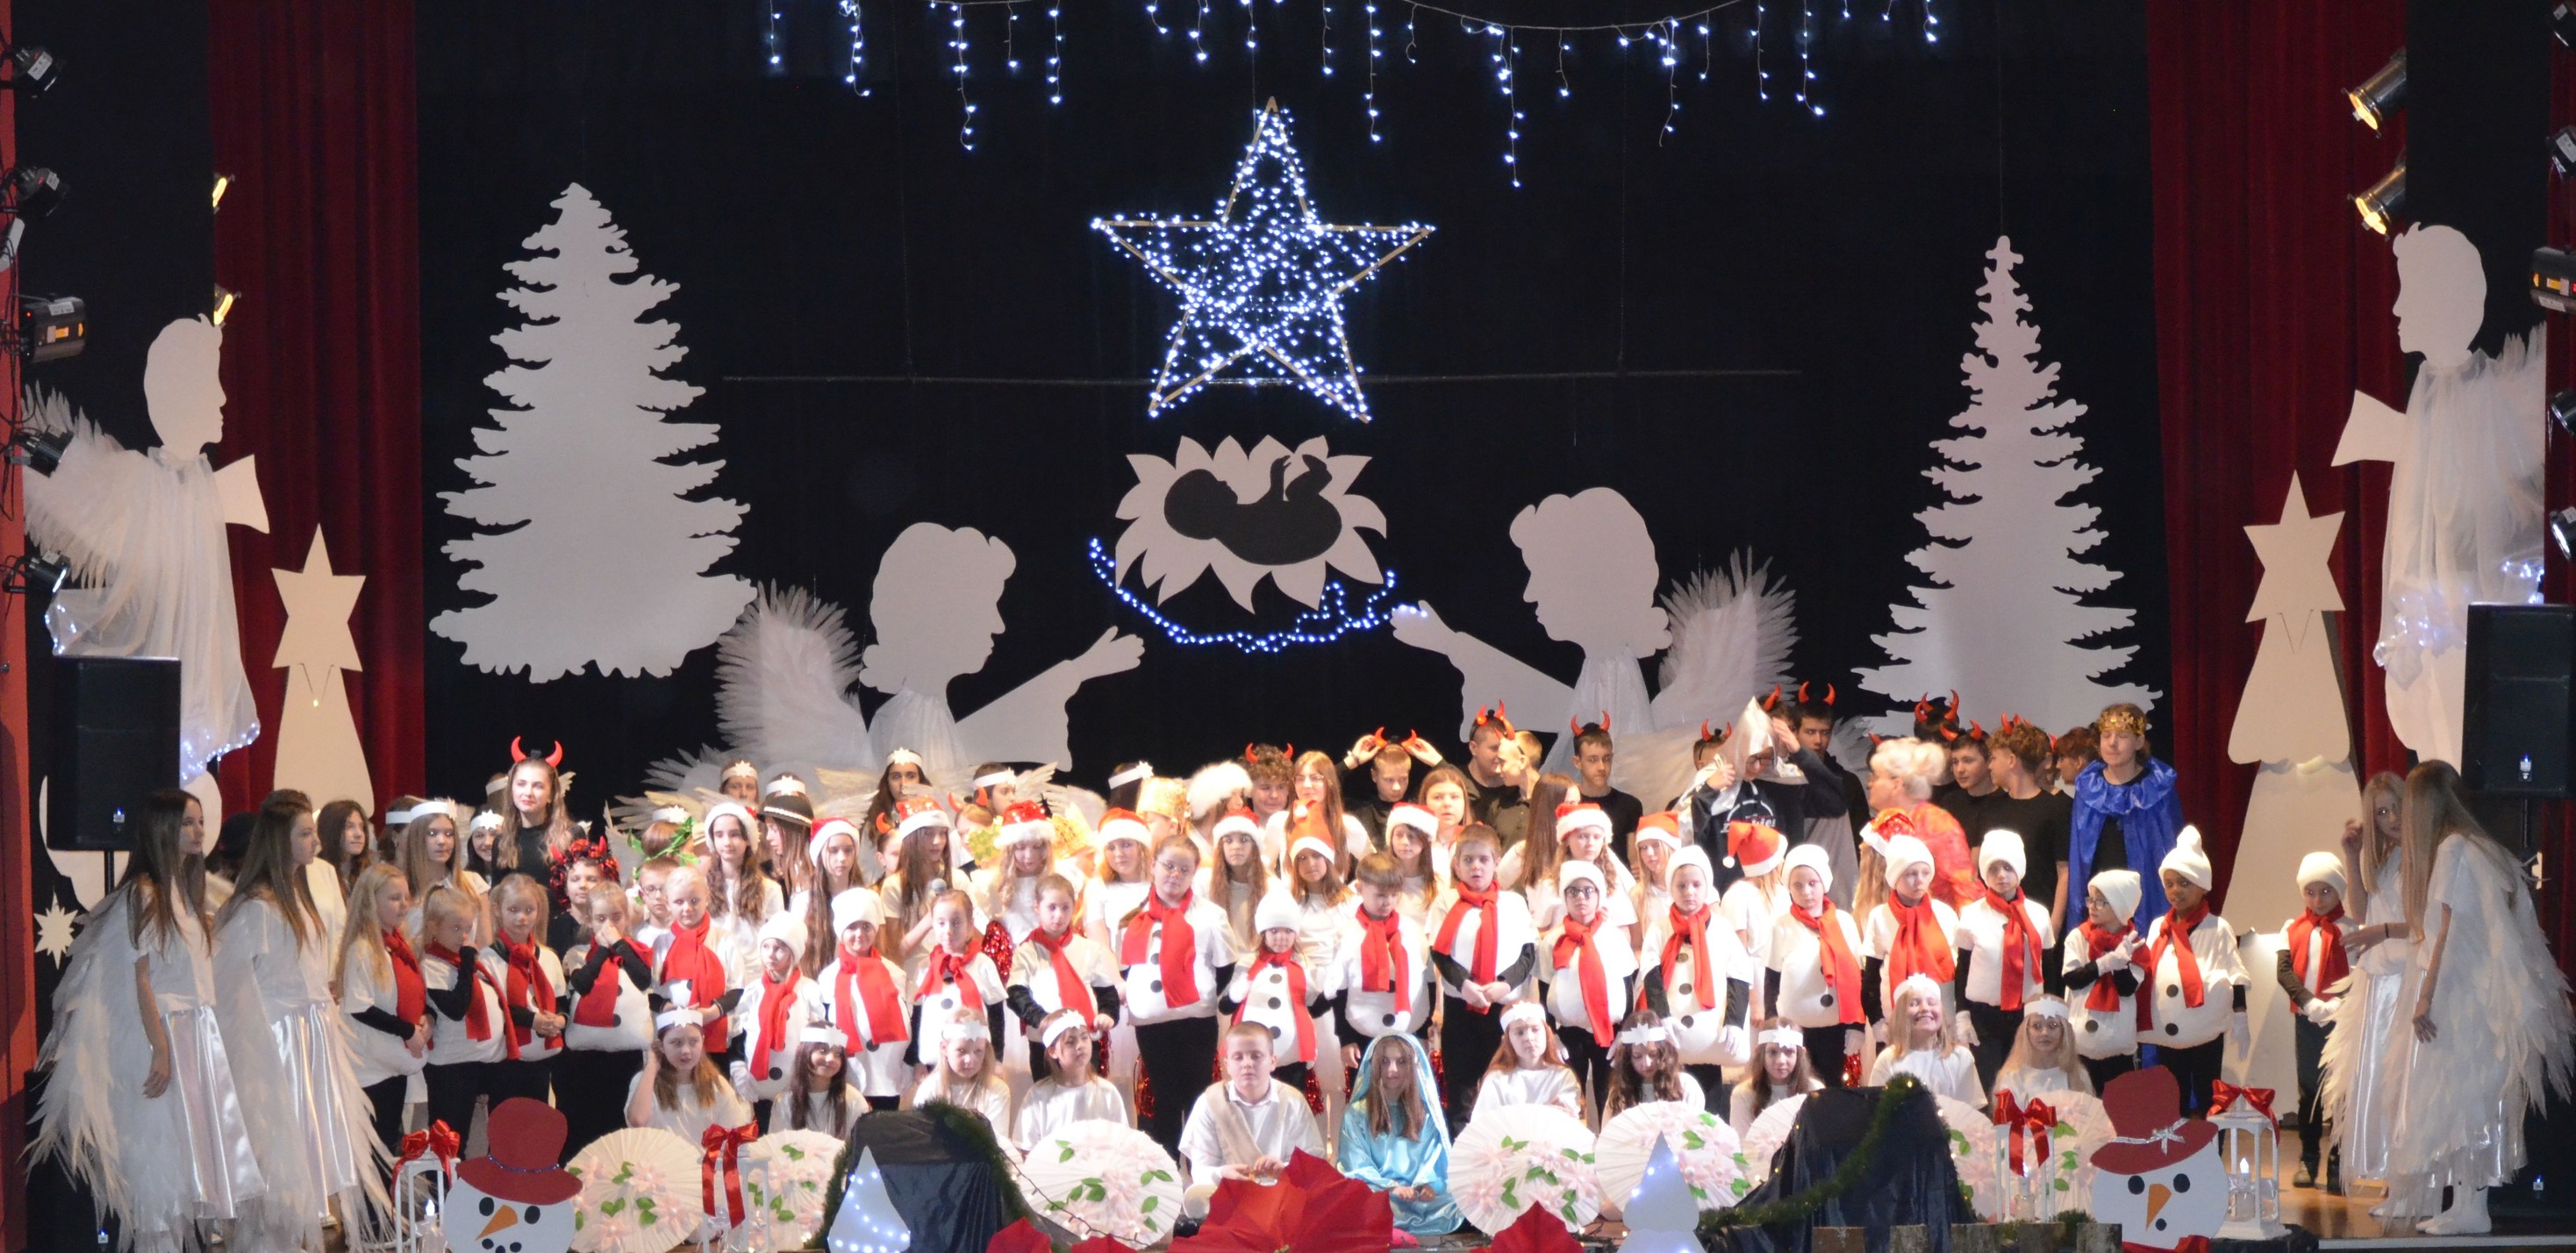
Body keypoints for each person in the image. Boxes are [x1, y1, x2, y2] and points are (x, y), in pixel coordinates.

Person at [33, 789, 267, 1253]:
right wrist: (160, 1047)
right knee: (160, 1160)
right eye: (187, 823)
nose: (198, 832)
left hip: (195, 1035)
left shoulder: (186, 892)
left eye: (200, 822)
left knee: (190, 1160)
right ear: (162, 830)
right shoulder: (144, 894)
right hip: (166, 1032)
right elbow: (140, 977)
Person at [2379, 763, 2576, 1235]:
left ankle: (2472, 1206)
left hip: (2459, 992)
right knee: (2468, 1097)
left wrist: (2425, 996)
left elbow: (2449, 928)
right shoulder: (2478, 847)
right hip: (2475, 992)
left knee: (2461, 1096)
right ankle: (2465, 1202)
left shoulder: (2453, 850)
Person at [213, 793, 387, 1247]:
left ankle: (302, 1230)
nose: (315, 842)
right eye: (305, 834)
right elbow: (230, 981)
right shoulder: (256, 907)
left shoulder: (299, 896)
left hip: (311, 1032)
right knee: (282, 1142)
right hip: (279, 1039)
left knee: (313, 1143)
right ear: (279, 841)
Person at [1120, 835, 1236, 1157]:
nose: (1174, 875)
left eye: (1184, 870)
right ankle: (1166, 1165)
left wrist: (1201, 994)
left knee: (1197, 1094)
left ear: (1194, 873)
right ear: (1153, 866)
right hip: (1151, 1022)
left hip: (1195, 1020)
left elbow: (1225, 966)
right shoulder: (1134, 917)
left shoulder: (1210, 915)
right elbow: (1127, 968)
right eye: (1168, 866)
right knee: (1162, 1096)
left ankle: (1200, 1165)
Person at [2322, 770, 2411, 1197]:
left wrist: (2384, 932)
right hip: (2379, 979)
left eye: (2396, 808)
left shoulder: (2424, 855)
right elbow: (2361, 912)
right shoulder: (2386, 857)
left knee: (2405, 1081)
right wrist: (2351, 856)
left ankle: (2409, 1180)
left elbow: (2431, 922)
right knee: (2379, 1080)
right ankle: (2393, 1178)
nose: (2391, 819)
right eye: (2380, 813)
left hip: (2408, 976)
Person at [1426, 823, 1531, 1128]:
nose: (1476, 867)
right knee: (1460, 1087)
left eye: (1483, 860)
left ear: (1496, 862)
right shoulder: (1446, 902)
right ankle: (1461, 1148)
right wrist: (1464, 984)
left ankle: (1503, 1146)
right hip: (1461, 1006)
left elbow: (1527, 953)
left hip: (1502, 1007)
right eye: (1468, 860)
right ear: (1456, 864)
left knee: (1502, 1084)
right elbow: (1439, 951)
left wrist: (1504, 984)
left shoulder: (1513, 903)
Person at [2139, 828, 2245, 1115]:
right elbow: (2147, 971)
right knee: (2173, 1097)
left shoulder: (2218, 928)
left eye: (2184, 883)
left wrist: (2240, 1016)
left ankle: (2213, 1143)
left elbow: (2235, 974)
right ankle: (2176, 1144)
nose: (2176, 891)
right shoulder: (2158, 927)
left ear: (2202, 886)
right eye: (2169, 883)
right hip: (2168, 1031)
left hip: (2205, 1029)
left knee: (2210, 1094)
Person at [1640, 847, 1756, 1104]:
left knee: (1710, 1099)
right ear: (1671, 888)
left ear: (1707, 887)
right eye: (1681, 886)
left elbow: (1739, 975)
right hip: (1673, 1035)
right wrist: (1661, 1015)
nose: (1689, 892)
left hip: (1709, 1035)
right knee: (1672, 1094)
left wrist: (1735, 1021)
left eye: (1696, 885)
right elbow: (1651, 974)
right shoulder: (1659, 929)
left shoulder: (1722, 928)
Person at [1973, 719, 2073, 992]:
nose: (1989, 765)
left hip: (2038, 919)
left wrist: (2054, 923)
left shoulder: (2056, 809)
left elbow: (2064, 871)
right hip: (1996, 921)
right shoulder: (1991, 808)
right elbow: (1978, 870)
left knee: (2040, 996)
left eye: (1993, 758)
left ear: (2012, 760)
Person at [337, 863, 428, 1161]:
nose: (404, 904)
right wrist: (407, 1030)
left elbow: (409, 995)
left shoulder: (398, 945)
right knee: (375, 1150)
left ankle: (388, 1192)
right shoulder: (363, 949)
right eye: (394, 898)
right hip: (371, 1066)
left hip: (392, 1060)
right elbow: (360, 1006)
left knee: (389, 1144)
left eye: (406, 897)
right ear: (370, 902)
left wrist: (424, 1020)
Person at [2067, 705, 2186, 927]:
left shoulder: (2158, 789)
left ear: (2139, 742)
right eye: (2106, 736)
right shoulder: (2088, 789)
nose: (2112, 743)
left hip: (2145, 898)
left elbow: (2172, 850)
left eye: (2122, 736)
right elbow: (2079, 857)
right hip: (2100, 903)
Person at [1954, 830, 2053, 1095]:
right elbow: (1962, 969)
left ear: (2019, 869)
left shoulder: (2039, 914)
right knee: (1990, 1089)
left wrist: (2052, 1014)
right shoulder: (1971, 914)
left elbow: (2050, 969)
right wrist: (1962, 1015)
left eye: (2008, 867)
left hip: (2028, 1016)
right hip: (1984, 1017)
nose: (2001, 876)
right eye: (1993, 868)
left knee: (2027, 1087)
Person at [560, 882, 655, 1156]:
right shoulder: (578, 953)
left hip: (627, 1058)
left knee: (620, 1127)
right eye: (601, 918)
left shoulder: (637, 951)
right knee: (585, 1128)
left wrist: (619, 945)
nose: (609, 925)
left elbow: (642, 979)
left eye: (616, 917)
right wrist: (603, 949)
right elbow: (582, 983)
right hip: (585, 1059)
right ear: (589, 920)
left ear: (626, 917)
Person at [1181, 1022, 1326, 1203]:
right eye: (1238, 1057)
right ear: (1227, 1064)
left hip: (1283, 1201)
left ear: (1272, 1061)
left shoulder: (1293, 1101)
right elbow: (1200, 1170)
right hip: (1229, 1201)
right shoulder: (1210, 1102)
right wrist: (1222, 1173)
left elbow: (1313, 1165)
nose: (1247, 1064)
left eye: (1256, 1056)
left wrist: (1284, 1170)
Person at [2276, 851, 2353, 1192]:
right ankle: (2308, 1157)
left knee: (2341, 1092)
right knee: (2309, 1090)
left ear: (2339, 891)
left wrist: (2337, 1002)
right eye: (2311, 892)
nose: (2318, 900)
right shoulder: (2292, 928)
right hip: (2307, 1020)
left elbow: (2360, 972)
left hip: (2343, 1021)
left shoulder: (2351, 928)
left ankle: (2339, 1160)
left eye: (2326, 891)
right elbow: (2284, 972)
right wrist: (2309, 1003)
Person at [1339, 1033, 1467, 1236]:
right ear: (1374, 1066)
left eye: (1401, 1062)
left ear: (1413, 1066)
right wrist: (1392, 1188)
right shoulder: (1357, 1113)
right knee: (1360, 1205)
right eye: (1385, 1062)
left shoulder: (1425, 1114)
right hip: (1378, 1191)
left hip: (1416, 1196)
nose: (1392, 1070)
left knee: (1459, 1201)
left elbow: (1434, 1159)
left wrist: (1427, 1185)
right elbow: (1355, 1165)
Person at [1765, 844, 1865, 1088]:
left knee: (1834, 1088)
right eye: (1798, 885)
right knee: (1799, 1087)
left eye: (1812, 883)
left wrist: (1857, 1026)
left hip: (1837, 1027)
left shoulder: (1844, 922)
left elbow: (1857, 976)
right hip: (1797, 1029)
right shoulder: (1782, 925)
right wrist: (1773, 1027)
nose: (1806, 892)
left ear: (1824, 883)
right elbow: (1772, 980)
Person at [1538, 858, 1635, 1112]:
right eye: (1573, 891)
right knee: (1570, 1096)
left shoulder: (1614, 937)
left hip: (1608, 1032)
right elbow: (1544, 988)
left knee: (1608, 1096)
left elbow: (1628, 986)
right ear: (1565, 897)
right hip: (1569, 1034)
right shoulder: (1553, 940)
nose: (1581, 897)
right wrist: (1552, 1034)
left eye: (1588, 891)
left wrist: (1624, 1032)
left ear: (1599, 896)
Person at [1005, 873, 1122, 1084]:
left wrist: (1108, 1013)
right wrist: (1042, 1020)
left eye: (1065, 908)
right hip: (1044, 1043)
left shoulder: (1089, 949)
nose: (1058, 915)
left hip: (1084, 1041)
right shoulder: (1027, 952)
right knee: (1048, 1093)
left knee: (1086, 1092)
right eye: (1051, 908)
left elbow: (1106, 992)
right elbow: (1016, 994)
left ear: (1074, 908)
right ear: (1037, 907)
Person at [418, 882, 507, 1150]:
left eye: (468, 928)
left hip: (474, 1062)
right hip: (449, 1066)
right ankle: (444, 1179)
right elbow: (457, 1008)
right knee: (448, 1141)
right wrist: (468, 962)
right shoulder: (432, 964)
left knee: (470, 1139)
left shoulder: (459, 962)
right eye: (455, 928)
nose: (464, 936)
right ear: (434, 927)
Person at [1329, 852, 1434, 1076]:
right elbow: (1339, 991)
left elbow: (1426, 983)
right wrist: (1346, 1039)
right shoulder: (1347, 935)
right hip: (1362, 1030)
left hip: (1408, 1029)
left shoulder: (1411, 931)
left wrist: (1424, 1030)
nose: (1388, 902)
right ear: (1360, 889)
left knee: (1407, 1090)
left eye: (1394, 895)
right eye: (1380, 895)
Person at [1224, 892, 1329, 1096]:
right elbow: (1226, 1006)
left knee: (1292, 1100)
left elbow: (1315, 1009)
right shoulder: (1248, 964)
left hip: (1292, 1055)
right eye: (1274, 931)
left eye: (1288, 931)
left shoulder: (1303, 965)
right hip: (1254, 1056)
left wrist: (1331, 992)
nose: (1281, 937)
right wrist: (1236, 995)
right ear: (1263, 932)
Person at [480, 873, 568, 1108]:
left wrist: (559, 1020)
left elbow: (562, 1002)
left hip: (541, 1058)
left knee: (536, 1120)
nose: (522, 917)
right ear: (497, 910)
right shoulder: (487, 959)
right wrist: (532, 1020)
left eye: (529, 910)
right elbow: (495, 1008)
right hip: (504, 1060)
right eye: (513, 910)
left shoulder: (548, 957)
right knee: (506, 1121)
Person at [825, 888, 913, 1111]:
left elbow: (908, 1021)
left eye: (866, 927)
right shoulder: (829, 977)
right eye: (852, 927)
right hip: (846, 1075)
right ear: (841, 931)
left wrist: (909, 1064)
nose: (859, 934)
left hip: (886, 1074)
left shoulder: (894, 973)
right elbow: (826, 1027)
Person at [1863, 739, 1975, 909]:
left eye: (1876, 777)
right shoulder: (1881, 824)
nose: (1869, 783)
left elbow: (1965, 887)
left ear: (1897, 784)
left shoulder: (1936, 823)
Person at [2061, 870, 2145, 1093]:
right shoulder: (2078, 937)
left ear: (2120, 906)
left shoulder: (2135, 943)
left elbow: (2127, 989)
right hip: (2081, 1044)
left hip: (2119, 1046)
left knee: (2119, 1106)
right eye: (2090, 899)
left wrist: (2121, 965)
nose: (2092, 906)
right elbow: (2072, 979)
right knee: (2082, 1106)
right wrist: (2104, 964)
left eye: (2101, 902)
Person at [1861, 834, 1958, 1026]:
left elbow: (1959, 967)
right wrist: (1877, 1021)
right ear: (1895, 878)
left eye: (1925, 873)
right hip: (1896, 1018)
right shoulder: (1880, 916)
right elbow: (1871, 976)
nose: (1920, 880)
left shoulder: (1944, 914)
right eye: (1911, 874)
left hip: (1942, 1016)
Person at [655, 864, 747, 1067]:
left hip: (715, 1034)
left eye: (694, 900)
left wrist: (710, 1014)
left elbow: (738, 989)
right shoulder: (661, 945)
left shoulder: (725, 940)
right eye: (679, 902)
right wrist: (671, 1009)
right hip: (672, 1036)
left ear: (707, 898)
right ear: (668, 903)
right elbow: (650, 992)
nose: (687, 908)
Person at [906, 889, 1009, 1068]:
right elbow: (918, 1017)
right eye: (941, 923)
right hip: (934, 1062)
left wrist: (997, 1059)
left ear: (970, 924)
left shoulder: (982, 964)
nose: (948, 931)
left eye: (956, 923)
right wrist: (916, 1062)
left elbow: (996, 1015)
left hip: (973, 1062)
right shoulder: (925, 968)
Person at [731, 913, 818, 1121]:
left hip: (796, 1085)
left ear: (793, 953)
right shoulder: (753, 991)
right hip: (759, 1086)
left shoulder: (809, 990)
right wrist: (738, 1067)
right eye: (766, 947)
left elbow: (817, 1037)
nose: (771, 954)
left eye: (779, 948)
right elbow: (738, 1033)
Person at [626, 1008, 755, 1140]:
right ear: (661, 1046)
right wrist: (652, 1066)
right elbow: (637, 1121)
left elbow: (733, 1133)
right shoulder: (645, 1081)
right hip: (659, 1153)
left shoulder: (717, 1084)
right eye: (676, 1043)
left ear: (702, 1041)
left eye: (693, 1042)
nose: (686, 1051)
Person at [1014, 1010, 1130, 1150]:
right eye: (1070, 1042)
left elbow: (1121, 1143)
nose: (1080, 1045)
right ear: (1052, 1051)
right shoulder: (1038, 1096)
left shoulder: (1107, 1092)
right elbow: (1026, 1148)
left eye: (1084, 1037)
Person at [1868, 974, 1984, 1107]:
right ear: (1901, 1015)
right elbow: (1877, 1110)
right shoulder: (1888, 1060)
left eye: (1931, 1003)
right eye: (1914, 1004)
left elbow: (1971, 1111)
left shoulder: (1961, 1058)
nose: (1925, 1009)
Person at [1470, 1002, 1585, 1122]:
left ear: (1547, 1033)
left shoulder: (1563, 1076)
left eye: (1535, 1029)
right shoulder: (1496, 1079)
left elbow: (1566, 1118)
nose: (1529, 1038)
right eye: (1520, 1033)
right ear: (1508, 1040)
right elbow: (1483, 1123)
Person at [906, 1021, 1014, 1137]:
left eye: (978, 1051)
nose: (969, 1060)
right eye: (961, 1051)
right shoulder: (930, 1088)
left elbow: (997, 1140)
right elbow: (918, 1137)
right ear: (944, 1048)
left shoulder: (997, 1090)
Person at [798, 817, 868, 977]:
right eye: (833, 851)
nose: (842, 858)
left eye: (848, 850)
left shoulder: (866, 899)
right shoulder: (804, 902)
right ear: (820, 854)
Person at [1601, 1011, 1705, 1118]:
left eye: (1653, 1054)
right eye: (1637, 1056)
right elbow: (1608, 1127)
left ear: (1663, 1052)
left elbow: (1695, 1124)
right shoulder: (1620, 1093)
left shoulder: (1685, 1085)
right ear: (1627, 1057)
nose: (1646, 1063)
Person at [1730, 1020, 1823, 1140]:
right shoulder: (1743, 1094)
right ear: (1759, 1053)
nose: (1781, 1061)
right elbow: (1742, 1143)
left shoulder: (1815, 1091)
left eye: (1789, 1052)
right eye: (1773, 1052)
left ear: (1801, 1054)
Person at [1990, 997, 2093, 1100]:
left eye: (2053, 1025)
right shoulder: (2012, 1078)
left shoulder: (2077, 1076)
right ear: (2027, 1030)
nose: (2045, 1033)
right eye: (2036, 1026)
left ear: (2064, 1030)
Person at [773, 1027, 863, 1137]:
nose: (831, 1059)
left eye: (838, 1054)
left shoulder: (853, 1099)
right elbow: (778, 1143)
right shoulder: (785, 1099)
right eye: (823, 1051)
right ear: (804, 1053)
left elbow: (861, 1143)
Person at [1206, 808, 1273, 956]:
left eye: (1244, 840)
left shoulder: (1272, 888)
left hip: (1257, 963)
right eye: (1228, 841)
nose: (1236, 847)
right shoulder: (1206, 883)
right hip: (1219, 963)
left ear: (1254, 846)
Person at [1569, 720, 1644, 841]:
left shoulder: (1630, 806)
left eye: (1606, 759)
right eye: (1592, 760)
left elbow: (1634, 852)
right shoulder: (1567, 805)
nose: (1602, 767)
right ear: (1577, 762)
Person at [2051, 727, 2098, 793]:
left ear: (2078, 762)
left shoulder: (2091, 794)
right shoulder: (2094, 788)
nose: (2058, 766)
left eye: (2062, 759)